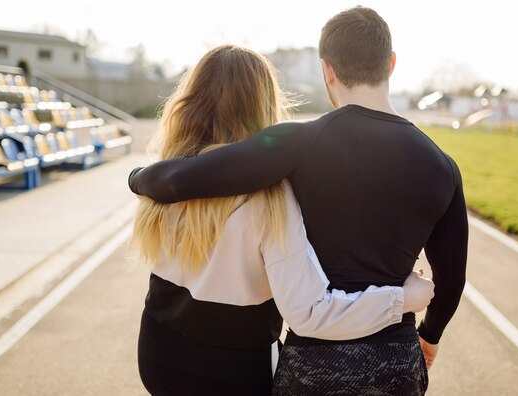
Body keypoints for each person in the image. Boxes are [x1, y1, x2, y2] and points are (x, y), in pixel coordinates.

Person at [129, 6, 468, 396]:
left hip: (308, 363)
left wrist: (140, 177)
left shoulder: (298, 143)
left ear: (327, 70)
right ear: (391, 64)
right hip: (395, 358)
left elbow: (187, 177)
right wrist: (430, 334)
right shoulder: (444, 167)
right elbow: (452, 279)